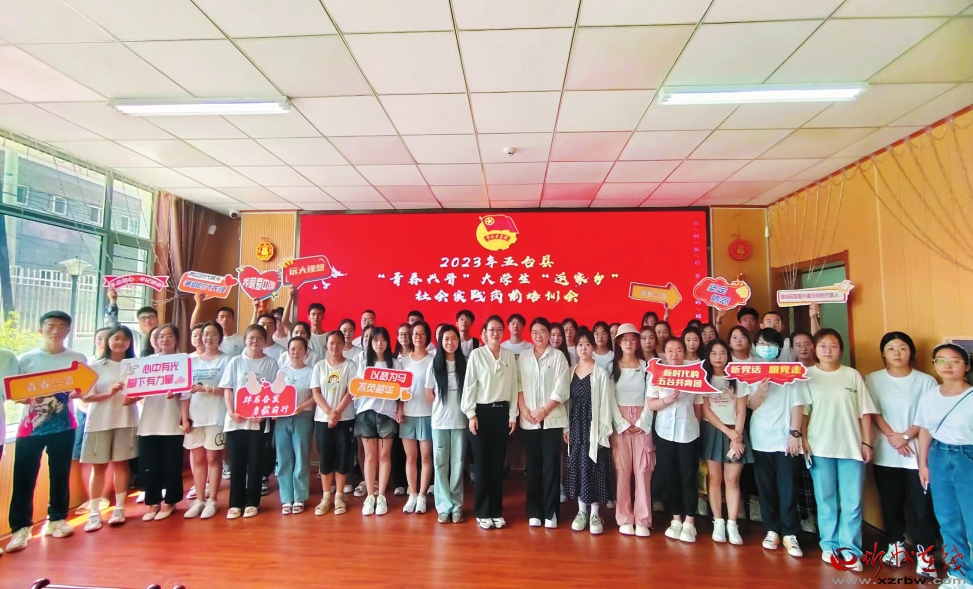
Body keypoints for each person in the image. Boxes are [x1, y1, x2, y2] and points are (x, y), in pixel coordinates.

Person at [5, 311, 91, 552]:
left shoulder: (77, 359)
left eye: (61, 326)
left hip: (65, 425)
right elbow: (14, 392)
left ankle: (57, 519)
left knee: (60, 474)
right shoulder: (25, 359)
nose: (56, 330)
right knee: (23, 477)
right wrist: (20, 398)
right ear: (40, 329)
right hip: (30, 428)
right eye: (51, 325)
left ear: (68, 331)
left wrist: (79, 393)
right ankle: (20, 527)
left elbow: (83, 390)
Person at [802, 328, 878, 570]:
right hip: (820, 446)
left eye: (833, 345)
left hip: (851, 447)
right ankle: (829, 545)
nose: (828, 350)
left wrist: (867, 442)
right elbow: (803, 412)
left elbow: (865, 412)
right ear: (815, 349)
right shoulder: (808, 375)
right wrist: (803, 439)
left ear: (841, 349)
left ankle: (850, 550)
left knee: (852, 501)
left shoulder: (852, 375)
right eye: (822, 345)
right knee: (825, 499)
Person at [868, 332, 939, 577]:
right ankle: (895, 545)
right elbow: (873, 412)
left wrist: (906, 436)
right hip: (886, 453)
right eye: (891, 348)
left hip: (918, 455)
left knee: (922, 507)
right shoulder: (874, 379)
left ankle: (925, 553)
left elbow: (928, 415)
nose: (897, 353)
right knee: (891, 504)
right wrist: (892, 437)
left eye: (902, 348)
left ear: (911, 352)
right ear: (883, 353)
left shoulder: (926, 381)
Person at [747, 328, 808, 558]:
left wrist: (795, 434)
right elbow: (751, 405)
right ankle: (772, 530)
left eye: (771, 344)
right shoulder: (751, 371)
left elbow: (798, 405)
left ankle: (790, 533)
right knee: (766, 489)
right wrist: (760, 392)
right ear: (755, 347)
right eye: (762, 344)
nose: (766, 348)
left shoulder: (790, 371)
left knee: (788, 488)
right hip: (761, 439)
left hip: (786, 441)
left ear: (780, 348)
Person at [916, 344, 973, 586]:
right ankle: (960, 575)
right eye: (941, 360)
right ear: (934, 365)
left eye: (954, 361)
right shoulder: (930, 396)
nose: (947, 366)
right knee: (948, 519)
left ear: (966, 366)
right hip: (938, 456)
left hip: (967, 456)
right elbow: (925, 431)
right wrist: (923, 464)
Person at [462, 315, 518, 530]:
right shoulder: (477, 355)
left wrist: (512, 415)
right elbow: (470, 386)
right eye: (491, 330)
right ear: (484, 333)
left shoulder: (508, 355)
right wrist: (471, 414)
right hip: (480, 414)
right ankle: (482, 511)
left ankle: (496, 510)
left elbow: (513, 386)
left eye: (499, 329)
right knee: (482, 464)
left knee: (497, 465)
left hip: (502, 413)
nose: (495, 333)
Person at [80, 325, 139, 532]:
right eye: (116, 338)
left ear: (130, 343)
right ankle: (94, 512)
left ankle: (120, 508)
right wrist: (110, 393)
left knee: (122, 465)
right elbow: (86, 397)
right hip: (99, 421)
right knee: (99, 467)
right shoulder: (95, 366)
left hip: (126, 420)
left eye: (125, 339)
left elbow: (142, 391)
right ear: (108, 341)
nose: (120, 342)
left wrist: (135, 398)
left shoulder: (135, 365)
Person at [219, 324, 279, 519]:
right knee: (236, 462)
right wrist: (231, 412)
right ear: (245, 340)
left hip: (259, 422)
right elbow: (228, 389)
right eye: (251, 338)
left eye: (259, 338)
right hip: (236, 421)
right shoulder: (235, 361)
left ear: (264, 341)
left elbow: (275, 392)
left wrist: (265, 413)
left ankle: (253, 502)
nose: (255, 341)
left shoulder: (271, 363)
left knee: (255, 462)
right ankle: (235, 503)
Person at [647, 337, 702, 543]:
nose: (674, 354)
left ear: (684, 352)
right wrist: (666, 400)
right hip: (664, 432)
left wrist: (696, 426)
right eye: (670, 350)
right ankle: (676, 518)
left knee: (688, 477)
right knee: (670, 476)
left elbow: (698, 405)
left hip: (688, 432)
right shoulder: (657, 373)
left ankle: (690, 522)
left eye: (679, 350)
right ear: (664, 353)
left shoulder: (693, 372)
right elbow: (651, 404)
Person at [518, 318, 570, 529]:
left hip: (551, 420)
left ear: (549, 334)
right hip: (529, 420)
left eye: (542, 331)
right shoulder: (523, 357)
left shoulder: (558, 357)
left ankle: (551, 512)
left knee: (551, 466)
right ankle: (534, 511)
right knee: (533, 467)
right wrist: (524, 410)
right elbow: (518, 386)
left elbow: (562, 389)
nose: (538, 335)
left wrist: (544, 410)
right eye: (534, 332)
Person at [564, 327, 616, 536]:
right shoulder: (570, 371)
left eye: (587, 344)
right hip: (576, 428)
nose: (583, 348)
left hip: (594, 428)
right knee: (578, 468)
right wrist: (566, 428)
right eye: (580, 345)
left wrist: (604, 433)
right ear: (575, 348)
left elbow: (606, 405)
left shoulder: (600, 373)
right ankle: (581, 512)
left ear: (593, 348)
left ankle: (595, 514)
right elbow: (566, 403)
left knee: (594, 468)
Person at [700, 339, 752, 545]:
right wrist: (728, 432)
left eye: (722, 353)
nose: (718, 357)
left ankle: (732, 523)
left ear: (728, 355)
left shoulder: (737, 378)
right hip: (714, 430)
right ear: (708, 356)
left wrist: (736, 435)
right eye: (714, 353)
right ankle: (718, 522)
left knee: (732, 480)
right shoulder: (705, 378)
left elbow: (741, 409)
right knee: (714, 478)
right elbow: (706, 410)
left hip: (736, 432)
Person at [138, 324, 187, 522]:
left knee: (171, 464)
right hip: (150, 420)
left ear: (176, 339)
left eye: (169, 336)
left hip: (172, 419)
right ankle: (152, 502)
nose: (165, 340)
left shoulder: (183, 360)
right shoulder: (147, 362)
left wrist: (177, 393)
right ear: (156, 341)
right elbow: (137, 389)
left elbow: (187, 392)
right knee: (150, 464)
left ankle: (170, 501)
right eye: (161, 337)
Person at [181, 321, 229, 520]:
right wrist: (185, 418)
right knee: (198, 458)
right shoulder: (191, 361)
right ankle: (199, 499)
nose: (208, 338)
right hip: (195, 416)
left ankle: (212, 500)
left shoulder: (226, 360)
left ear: (220, 337)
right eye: (205, 334)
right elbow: (184, 393)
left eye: (213, 334)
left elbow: (228, 390)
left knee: (213, 458)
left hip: (216, 416)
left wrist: (206, 389)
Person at [610, 323, 654, 538]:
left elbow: (651, 396)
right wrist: (621, 423)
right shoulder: (613, 366)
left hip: (643, 422)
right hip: (621, 424)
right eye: (624, 339)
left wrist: (643, 421)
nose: (629, 343)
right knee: (622, 470)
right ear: (619, 343)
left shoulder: (647, 366)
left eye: (632, 339)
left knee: (643, 470)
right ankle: (625, 518)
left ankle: (643, 519)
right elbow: (609, 398)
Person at [355, 327, 401, 516]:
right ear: (369, 343)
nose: (379, 344)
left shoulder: (395, 364)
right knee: (370, 457)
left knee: (384, 456)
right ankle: (370, 495)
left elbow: (403, 390)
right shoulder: (363, 364)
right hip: (366, 413)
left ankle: (381, 495)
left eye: (383, 340)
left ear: (388, 342)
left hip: (387, 415)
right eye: (375, 340)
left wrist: (400, 409)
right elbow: (356, 389)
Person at [311, 331, 357, 516]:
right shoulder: (319, 366)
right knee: (325, 457)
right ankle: (325, 497)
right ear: (326, 345)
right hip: (323, 419)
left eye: (338, 343)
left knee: (342, 456)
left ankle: (339, 496)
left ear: (343, 345)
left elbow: (351, 391)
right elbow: (316, 392)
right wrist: (329, 413)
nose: (334, 346)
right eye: (331, 343)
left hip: (345, 418)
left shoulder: (350, 365)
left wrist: (336, 412)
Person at [427, 325, 468, 523]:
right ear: (440, 342)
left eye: (453, 338)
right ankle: (443, 506)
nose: (450, 342)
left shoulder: (465, 364)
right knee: (440, 464)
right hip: (439, 423)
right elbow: (429, 392)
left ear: (458, 341)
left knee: (458, 464)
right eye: (446, 339)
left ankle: (457, 506)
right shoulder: (434, 364)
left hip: (460, 421)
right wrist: (438, 410)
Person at [274, 337, 316, 515]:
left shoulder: (311, 371)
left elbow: (316, 396)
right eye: (292, 349)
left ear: (306, 351)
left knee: (301, 456)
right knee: (283, 457)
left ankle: (299, 497)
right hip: (282, 419)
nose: (296, 352)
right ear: (288, 351)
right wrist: (275, 410)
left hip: (303, 417)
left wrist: (303, 406)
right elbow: (274, 395)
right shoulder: (281, 372)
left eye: (299, 349)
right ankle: (286, 498)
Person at [400, 322, 435, 514]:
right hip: (408, 414)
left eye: (422, 334)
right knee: (411, 457)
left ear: (427, 336)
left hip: (428, 414)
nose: (418, 337)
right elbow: (398, 390)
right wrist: (399, 409)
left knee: (426, 457)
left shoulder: (433, 360)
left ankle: (422, 495)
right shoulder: (403, 362)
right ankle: (412, 494)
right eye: (415, 334)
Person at [789, 329, 818, 533]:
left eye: (807, 344)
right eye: (798, 345)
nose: (803, 348)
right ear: (791, 348)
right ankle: (806, 516)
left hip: (821, 431)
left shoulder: (821, 370)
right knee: (801, 477)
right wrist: (798, 434)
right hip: (797, 433)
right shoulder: (790, 373)